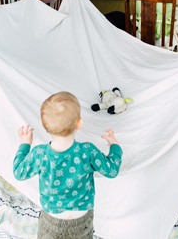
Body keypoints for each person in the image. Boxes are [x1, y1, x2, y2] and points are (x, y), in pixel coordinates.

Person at [13, 91, 122, 238]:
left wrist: (24, 145)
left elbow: (19, 172)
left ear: (45, 126)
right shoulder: (87, 151)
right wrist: (115, 146)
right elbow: (112, 170)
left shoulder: (40, 154)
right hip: (81, 219)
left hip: (51, 220)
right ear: (79, 123)